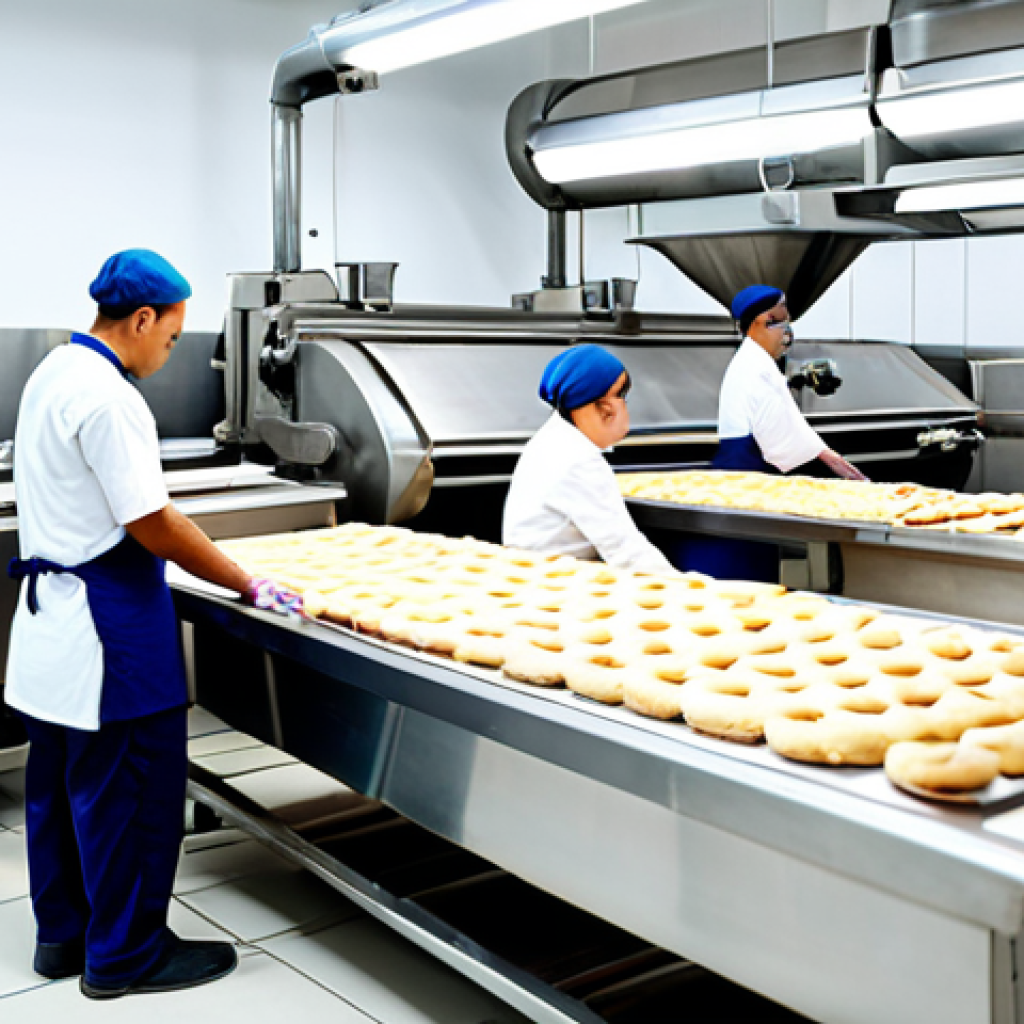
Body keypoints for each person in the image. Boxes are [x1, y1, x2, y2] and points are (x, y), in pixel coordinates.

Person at [4, 250, 301, 1000]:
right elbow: (155, 523)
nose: (169, 353)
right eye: (171, 338)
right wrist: (250, 583)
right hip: (111, 632)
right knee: (131, 792)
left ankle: (63, 938)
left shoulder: (53, 374)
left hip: (50, 625)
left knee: (60, 789)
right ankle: (128, 954)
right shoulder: (109, 396)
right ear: (141, 320)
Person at [503, 344, 675, 573]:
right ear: (605, 406)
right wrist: (690, 590)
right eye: (622, 396)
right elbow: (624, 550)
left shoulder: (550, 441)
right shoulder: (578, 461)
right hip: (553, 585)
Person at [715, 284, 867, 480]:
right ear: (763, 321)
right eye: (782, 324)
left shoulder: (750, 359)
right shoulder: (757, 367)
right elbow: (779, 437)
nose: (785, 336)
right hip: (747, 470)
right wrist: (829, 458)